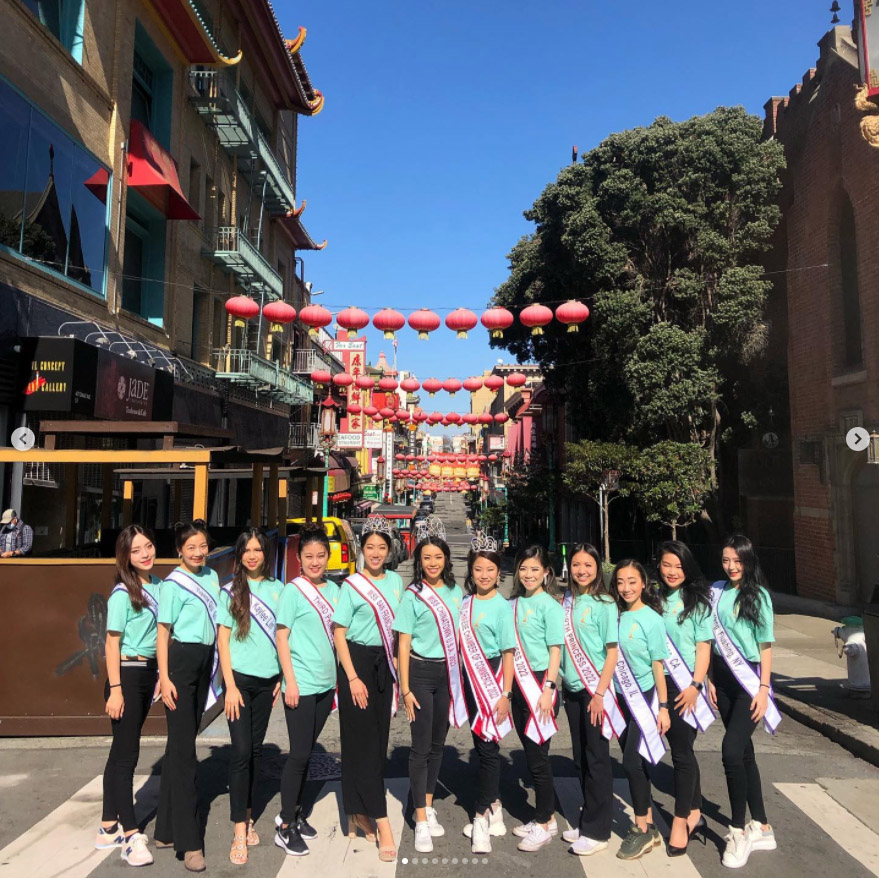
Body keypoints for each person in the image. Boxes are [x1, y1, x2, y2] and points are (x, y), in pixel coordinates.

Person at [333, 517, 403, 862]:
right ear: (362, 549)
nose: (376, 553)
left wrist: (399, 672)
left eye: (382, 547)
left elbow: (399, 631)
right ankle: (381, 819)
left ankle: (356, 810)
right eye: (370, 547)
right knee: (360, 742)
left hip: (384, 665)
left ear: (389, 551)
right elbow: (339, 633)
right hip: (356, 665)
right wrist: (352, 678)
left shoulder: (396, 582)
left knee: (377, 743)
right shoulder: (352, 586)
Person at [394, 529, 466, 855]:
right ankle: (420, 818)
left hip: (447, 673)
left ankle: (427, 803)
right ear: (419, 562)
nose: (433, 562)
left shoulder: (455, 591)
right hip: (420, 673)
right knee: (421, 747)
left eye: (438, 557)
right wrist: (405, 689)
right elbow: (403, 644)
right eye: (427, 558)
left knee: (438, 745)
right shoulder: (413, 596)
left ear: (446, 560)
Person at [709, 535, 779, 869]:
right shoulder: (717, 590)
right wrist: (709, 678)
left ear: (748, 561)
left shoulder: (759, 595)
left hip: (748, 681)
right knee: (744, 753)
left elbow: (765, 646)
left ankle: (737, 829)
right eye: (726, 560)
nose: (731, 566)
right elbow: (709, 639)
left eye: (737, 561)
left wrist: (763, 688)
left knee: (731, 751)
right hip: (721, 679)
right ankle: (762, 825)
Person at [155, 520, 220, 873]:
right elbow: (163, 633)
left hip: (204, 661)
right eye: (191, 547)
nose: (198, 552)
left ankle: (165, 829)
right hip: (180, 664)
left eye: (202, 546)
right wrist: (164, 678)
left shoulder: (212, 576)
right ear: (179, 550)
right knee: (184, 755)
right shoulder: (172, 584)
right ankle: (190, 841)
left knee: (180, 745)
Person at [217, 529, 284, 866]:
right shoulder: (230, 591)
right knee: (241, 751)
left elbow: (285, 636)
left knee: (255, 751)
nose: (253, 555)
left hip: (267, 681)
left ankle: (249, 814)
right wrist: (229, 686)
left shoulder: (278, 589)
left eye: (258, 549)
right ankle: (239, 830)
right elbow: (223, 640)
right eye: (247, 550)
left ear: (265, 554)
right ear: (239, 555)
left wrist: (282, 676)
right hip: (239, 683)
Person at [96, 525, 162, 867]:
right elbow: (111, 642)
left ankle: (108, 825)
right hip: (126, 674)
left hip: (148, 673)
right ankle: (130, 835)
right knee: (127, 757)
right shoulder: (123, 593)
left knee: (120, 751)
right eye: (136, 550)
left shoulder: (159, 586)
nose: (145, 554)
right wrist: (116, 689)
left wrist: (161, 674)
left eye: (148, 546)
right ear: (125, 557)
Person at [274, 524, 340, 857]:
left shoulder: (335, 590)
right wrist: (290, 681)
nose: (315, 562)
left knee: (307, 752)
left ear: (328, 557)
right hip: (300, 685)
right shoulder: (293, 591)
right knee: (298, 755)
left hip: (326, 685)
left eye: (320, 555)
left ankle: (296, 813)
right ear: (299, 558)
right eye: (309, 556)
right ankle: (285, 825)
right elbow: (281, 637)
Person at [559, 543, 622, 858]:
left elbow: (612, 651)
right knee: (580, 757)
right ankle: (588, 820)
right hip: (571, 689)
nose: (581, 570)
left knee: (597, 758)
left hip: (594, 690)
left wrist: (599, 693)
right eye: (576, 564)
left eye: (588, 565)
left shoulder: (605, 603)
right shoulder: (567, 599)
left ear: (597, 568)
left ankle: (598, 831)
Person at [458, 533, 515, 855]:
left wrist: (505, 694)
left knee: (490, 749)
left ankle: (480, 816)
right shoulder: (465, 603)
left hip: (492, 678)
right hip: (470, 679)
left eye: (490, 569)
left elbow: (508, 653)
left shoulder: (502, 607)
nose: (484, 575)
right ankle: (495, 807)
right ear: (471, 570)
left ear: (498, 572)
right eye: (479, 569)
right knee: (482, 747)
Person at [610, 560, 670, 861]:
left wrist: (663, 707)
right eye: (621, 582)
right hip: (619, 697)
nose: (626, 588)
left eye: (632, 581)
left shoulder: (652, 619)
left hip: (643, 697)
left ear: (643, 583)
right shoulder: (615, 615)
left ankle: (641, 827)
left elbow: (659, 666)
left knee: (632, 762)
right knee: (638, 765)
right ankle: (650, 826)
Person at [657, 541, 714, 856]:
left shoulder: (697, 602)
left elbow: (704, 648)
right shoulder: (653, 598)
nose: (672, 572)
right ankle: (695, 813)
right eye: (667, 564)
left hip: (684, 685)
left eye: (679, 566)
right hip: (656, 683)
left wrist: (695, 685)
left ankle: (681, 822)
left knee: (681, 753)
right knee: (681, 751)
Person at [508, 545, 564, 853]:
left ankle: (543, 823)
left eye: (534, 569)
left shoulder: (550, 606)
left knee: (538, 758)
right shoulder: (514, 604)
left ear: (546, 573)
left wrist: (549, 689)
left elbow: (556, 650)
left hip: (541, 686)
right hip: (518, 685)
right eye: (523, 569)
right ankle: (547, 817)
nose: (528, 574)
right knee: (532, 756)